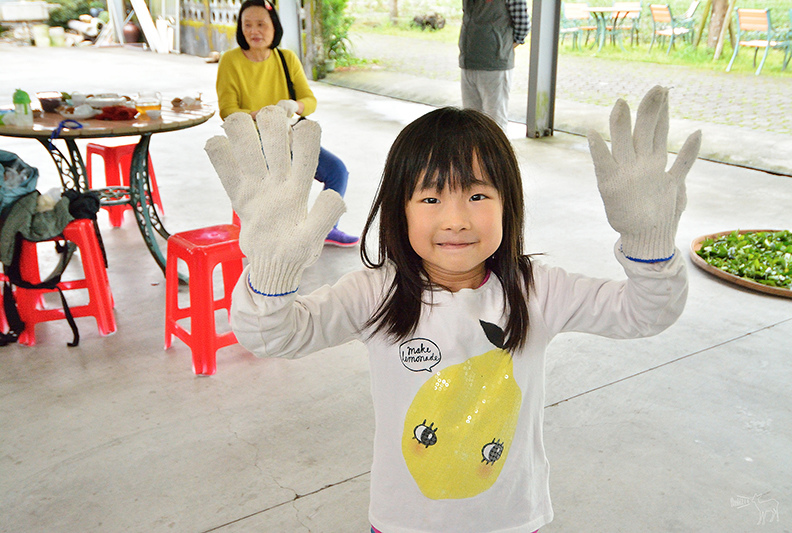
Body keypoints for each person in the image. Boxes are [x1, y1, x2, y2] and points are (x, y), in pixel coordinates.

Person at [205, 86, 701, 532]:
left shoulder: (538, 292)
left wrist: (647, 243)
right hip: (405, 520)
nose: (457, 219)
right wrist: (270, 273)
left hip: (510, 517)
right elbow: (274, 337)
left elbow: (644, 313)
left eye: (479, 194)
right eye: (431, 197)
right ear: (399, 208)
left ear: (511, 204)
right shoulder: (373, 294)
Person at [215, 0, 358, 247]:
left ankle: (326, 228)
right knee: (283, 189)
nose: (254, 31)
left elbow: (309, 100)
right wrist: (263, 115)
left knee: (337, 171)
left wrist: (295, 106)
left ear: (274, 27)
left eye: (261, 24)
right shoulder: (230, 60)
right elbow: (228, 111)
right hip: (254, 144)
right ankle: (276, 236)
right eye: (247, 25)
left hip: (288, 137)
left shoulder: (286, 58)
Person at [459, 0, 530, 131]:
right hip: (468, 61)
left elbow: (523, 25)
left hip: (495, 64)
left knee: (495, 121)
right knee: (469, 120)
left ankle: (497, 152)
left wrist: (503, 46)